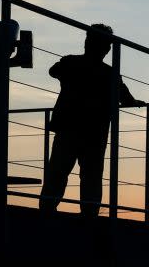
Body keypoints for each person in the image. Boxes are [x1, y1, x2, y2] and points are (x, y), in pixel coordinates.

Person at [40, 23, 143, 217]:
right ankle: (89, 214)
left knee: (58, 172)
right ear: (107, 48)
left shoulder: (71, 62)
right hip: (95, 130)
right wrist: (134, 101)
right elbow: (125, 96)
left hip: (68, 127)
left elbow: (53, 71)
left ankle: (47, 210)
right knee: (91, 176)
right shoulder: (109, 73)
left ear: (87, 42)